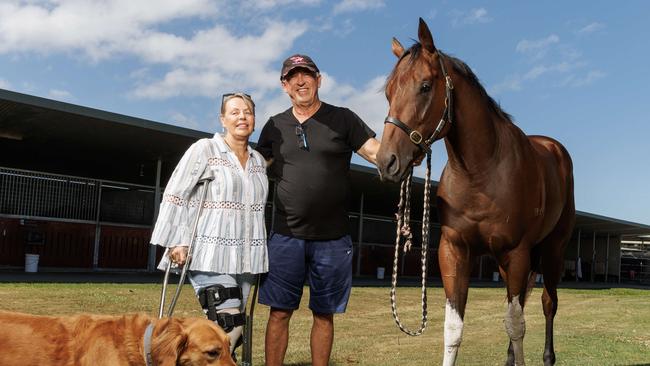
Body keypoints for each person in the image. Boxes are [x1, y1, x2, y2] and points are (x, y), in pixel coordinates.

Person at [255, 54, 380, 366]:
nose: (301, 81)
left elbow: (378, 153)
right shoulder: (274, 126)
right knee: (279, 312)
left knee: (324, 315)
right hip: (286, 236)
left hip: (333, 239)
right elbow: (252, 170)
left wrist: (405, 153)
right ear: (284, 85)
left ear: (318, 79)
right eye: (293, 77)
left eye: (306, 75)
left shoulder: (343, 118)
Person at [150, 92, 268, 358]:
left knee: (227, 332)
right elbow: (176, 193)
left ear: (254, 119)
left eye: (247, 112)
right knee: (230, 324)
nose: (242, 117)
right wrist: (176, 239)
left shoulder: (259, 162)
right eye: (235, 112)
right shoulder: (204, 149)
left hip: (246, 258)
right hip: (208, 251)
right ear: (222, 119)